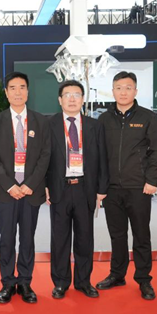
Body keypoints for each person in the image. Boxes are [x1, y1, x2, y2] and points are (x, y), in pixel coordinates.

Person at [96, 71, 157, 300]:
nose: (123, 92)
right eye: (118, 88)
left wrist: (151, 180)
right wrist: (100, 186)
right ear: (112, 91)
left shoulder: (147, 117)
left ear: (135, 91)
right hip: (112, 189)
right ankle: (117, 274)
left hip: (139, 187)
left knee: (141, 235)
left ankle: (144, 279)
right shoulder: (104, 120)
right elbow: (98, 154)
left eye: (128, 88)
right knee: (117, 235)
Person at [0, 72, 51, 304]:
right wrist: (10, 185)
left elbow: (45, 155)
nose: (17, 92)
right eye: (12, 88)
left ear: (28, 91)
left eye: (22, 87)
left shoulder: (40, 121)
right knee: (6, 238)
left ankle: (24, 282)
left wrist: (30, 184)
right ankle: (7, 282)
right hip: (6, 192)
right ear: (6, 93)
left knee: (27, 238)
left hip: (30, 192)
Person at [45, 80, 108, 299]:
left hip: (85, 188)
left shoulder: (94, 125)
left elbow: (103, 158)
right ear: (59, 99)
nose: (72, 99)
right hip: (59, 188)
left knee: (84, 238)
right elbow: (42, 159)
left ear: (83, 99)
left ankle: (83, 281)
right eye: (67, 95)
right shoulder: (49, 125)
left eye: (77, 95)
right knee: (60, 239)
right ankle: (60, 282)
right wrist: (44, 186)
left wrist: (101, 188)